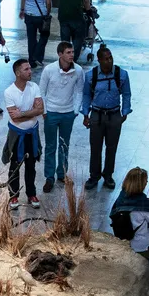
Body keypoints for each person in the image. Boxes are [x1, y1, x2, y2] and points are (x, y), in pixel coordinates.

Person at [81, 47, 131, 190]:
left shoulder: (121, 74)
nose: (109, 61)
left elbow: (126, 94)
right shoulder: (91, 76)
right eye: (106, 58)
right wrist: (85, 114)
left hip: (114, 114)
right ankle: (94, 176)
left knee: (112, 147)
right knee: (95, 147)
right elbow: (86, 95)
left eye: (111, 57)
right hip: (97, 115)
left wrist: (125, 113)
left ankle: (108, 175)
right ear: (99, 60)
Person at [39, 41, 85, 193]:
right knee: (51, 146)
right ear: (60, 54)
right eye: (68, 52)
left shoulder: (78, 70)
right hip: (51, 112)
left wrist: (75, 111)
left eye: (72, 52)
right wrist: (45, 111)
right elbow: (41, 92)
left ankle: (62, 174)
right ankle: (49, 177)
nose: (72, 55)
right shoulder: (49, 70)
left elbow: (79, 91)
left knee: (64, 145)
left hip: (68, 114)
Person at [2, 59, 44, 210]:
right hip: (17, 134)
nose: (30, 71)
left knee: (31, 165)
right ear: (18, 73)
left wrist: (23, 113)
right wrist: (31, 114)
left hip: (32, 133)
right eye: (26, 69)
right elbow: (14, 117)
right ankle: (13, 196)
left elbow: (40, 110)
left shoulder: (34, 87)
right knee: (15, 165)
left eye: (29, 68)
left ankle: (31, 194)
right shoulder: (9, 92)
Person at [109, 168, 149, 260]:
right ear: (141, 185)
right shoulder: (145, 204)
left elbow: (112, 215)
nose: (147, 182)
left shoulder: (120, 199)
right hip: (141, 247)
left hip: (123, 244)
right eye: (146, 181)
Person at [21, 0, 52, 68]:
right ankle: (37, 55)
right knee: (44, 35)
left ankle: (31, 60)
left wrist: (22, 10)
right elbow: (48, 2)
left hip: (28, 15)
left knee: (31, 38)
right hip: (41, 15)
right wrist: (47, 13)